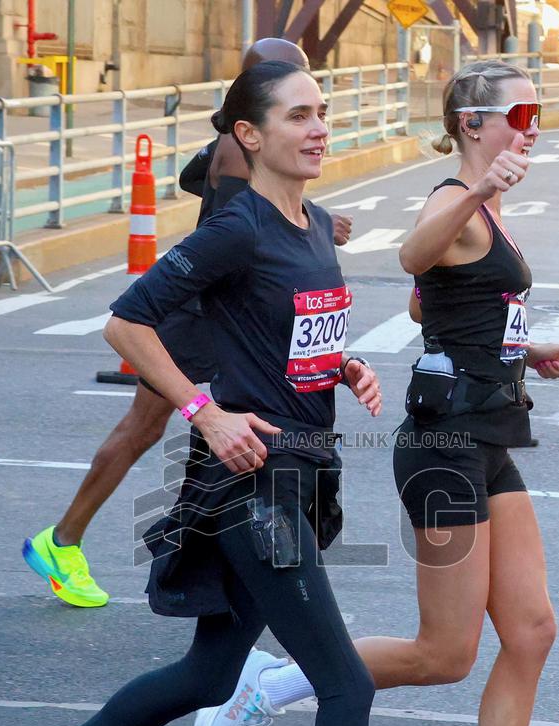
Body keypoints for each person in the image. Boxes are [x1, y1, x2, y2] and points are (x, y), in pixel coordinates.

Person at [0, 59, 482, 726]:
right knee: (344, 682)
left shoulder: (313, 225)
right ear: (250, 135)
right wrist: (202, 410)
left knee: (211, 677)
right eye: (298, 116)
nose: (318, 127)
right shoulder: (239, 226)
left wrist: (339, 368)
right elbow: (126, 323)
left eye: (322, 113)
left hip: (299, 472)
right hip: (250, 486)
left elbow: (283, 340)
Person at [193, 60, 559, 726]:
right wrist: (479, 195)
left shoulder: (485, 207)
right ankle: (276, 683)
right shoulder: (457, 198)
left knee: (532, 629)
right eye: (519, 112)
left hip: (486, 438)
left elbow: (428, 304)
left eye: (536, 111)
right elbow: (416, 254)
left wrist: (523, 348)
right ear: (472, 122)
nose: (533, 126)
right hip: (444, 453)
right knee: (444, 652)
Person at [22, 37, 351, 608]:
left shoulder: (231, 145)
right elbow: (231, 232)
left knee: (203, 427)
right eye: (290, 92)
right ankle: (69, 539)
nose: (306, 106)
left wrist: (313, 222)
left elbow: (194, 183)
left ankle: (205, 548)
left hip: (227, 305)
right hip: (206, 311)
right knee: (159, 427)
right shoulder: (238, 151)